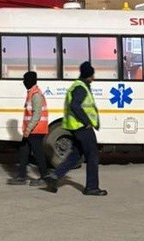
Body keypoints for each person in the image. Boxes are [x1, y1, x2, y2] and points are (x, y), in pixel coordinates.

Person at [46, 61, 107, 196]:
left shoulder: (78, 85)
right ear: (88, 75)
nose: (94, 78)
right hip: (82, 127)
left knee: (76, 155)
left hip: (76, 127)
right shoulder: (80, 88)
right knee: (93, 156)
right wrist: (86, 122)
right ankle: (91, 187)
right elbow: (75, 105)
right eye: (92, 75)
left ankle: (54, 176)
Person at [7, 71, 49, 186]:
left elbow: (37, 115)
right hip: (32, 130)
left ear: (30, 81)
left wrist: (28, 129)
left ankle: (45, 177)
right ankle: (22, 176)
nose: (23, 82)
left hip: (36, 130)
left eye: (25, 80)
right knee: (24, 151)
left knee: (38, 154)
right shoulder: (31, 93)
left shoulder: (36, 94)